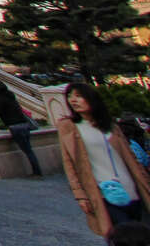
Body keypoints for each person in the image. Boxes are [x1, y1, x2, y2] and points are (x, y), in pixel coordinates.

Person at [58, 81, 150, 240]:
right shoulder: (68, 126)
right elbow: (69, 164)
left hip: (131, 187)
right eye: (70, 97)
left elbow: (131, 158)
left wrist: (145, 181)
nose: (73, 100)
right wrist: (80, 194)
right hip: (103, 192)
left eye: (78, 96)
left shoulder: (110, 125)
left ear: (91, 99)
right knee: (124, 235)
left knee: (140, 233)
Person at [0, 79, 43, 177]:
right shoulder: (10, 95)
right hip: (23, 124)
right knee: (29, 149)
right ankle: (37, 170)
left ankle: (37, 172)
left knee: (27, 150)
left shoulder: (0, 98)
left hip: (15, 126)